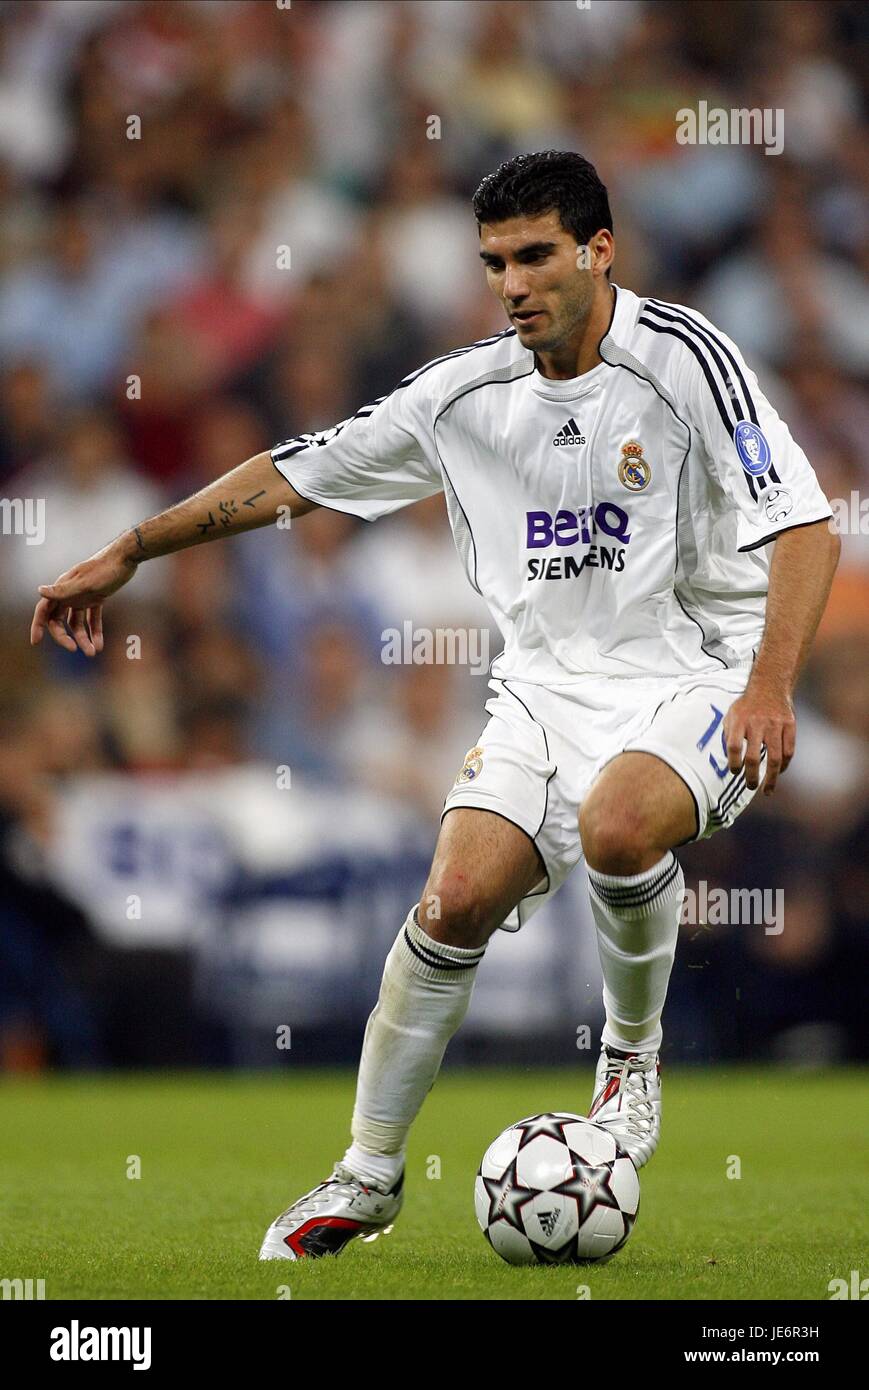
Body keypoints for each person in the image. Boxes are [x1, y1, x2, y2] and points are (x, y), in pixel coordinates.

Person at [30, 151, 840, 1262]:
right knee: (451, 901)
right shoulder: (460, 394)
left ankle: (628, 1059)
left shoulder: (687, 361)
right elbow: (291, 475)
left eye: (535, 255)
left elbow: (801, 523)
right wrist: (129, 547)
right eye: (492, 261)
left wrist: (767, 686)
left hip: (697, 675)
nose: (510, 282)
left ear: (599, 250)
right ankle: (365, 1176)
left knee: (615, 824)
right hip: (538, 695)